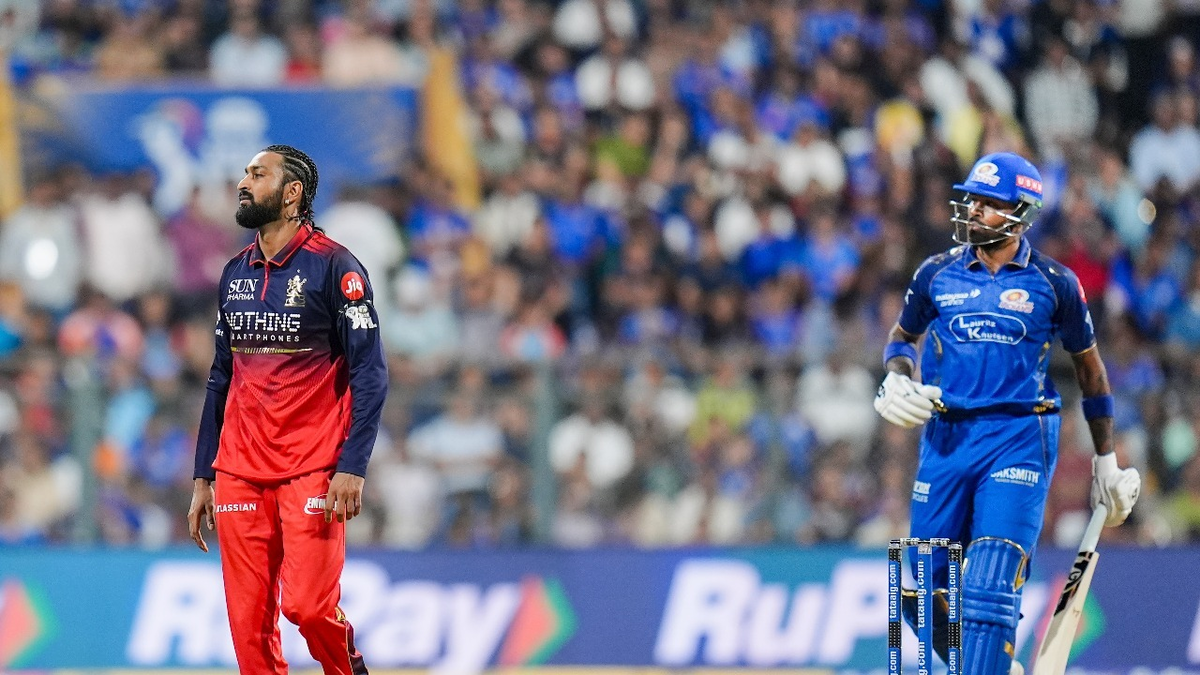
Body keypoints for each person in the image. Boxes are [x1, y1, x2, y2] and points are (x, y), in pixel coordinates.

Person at [873, 152, 1141, 675]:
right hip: (947, 434)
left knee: (991, 579)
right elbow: (901, 340)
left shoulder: (1055, 282)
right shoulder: (936, 273)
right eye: (970, 199)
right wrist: (898, 375)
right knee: (920, 587)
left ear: (1020, 212)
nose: (972, 210)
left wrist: (1105, 460)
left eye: (987, 203)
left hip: (1018, 434)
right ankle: (1000, 669)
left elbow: (1091, 370)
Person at [187, 145, 387, 675]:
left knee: (306, 606)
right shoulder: (235, 272)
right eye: (245, 173)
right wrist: (204, 474)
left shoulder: (335, 267)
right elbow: (219, 377)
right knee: (248, 626)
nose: (243, 182)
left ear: (292, 192)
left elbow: (370, 372)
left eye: (257, 174)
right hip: (238, 471)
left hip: (313, 466)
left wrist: (353, 465)